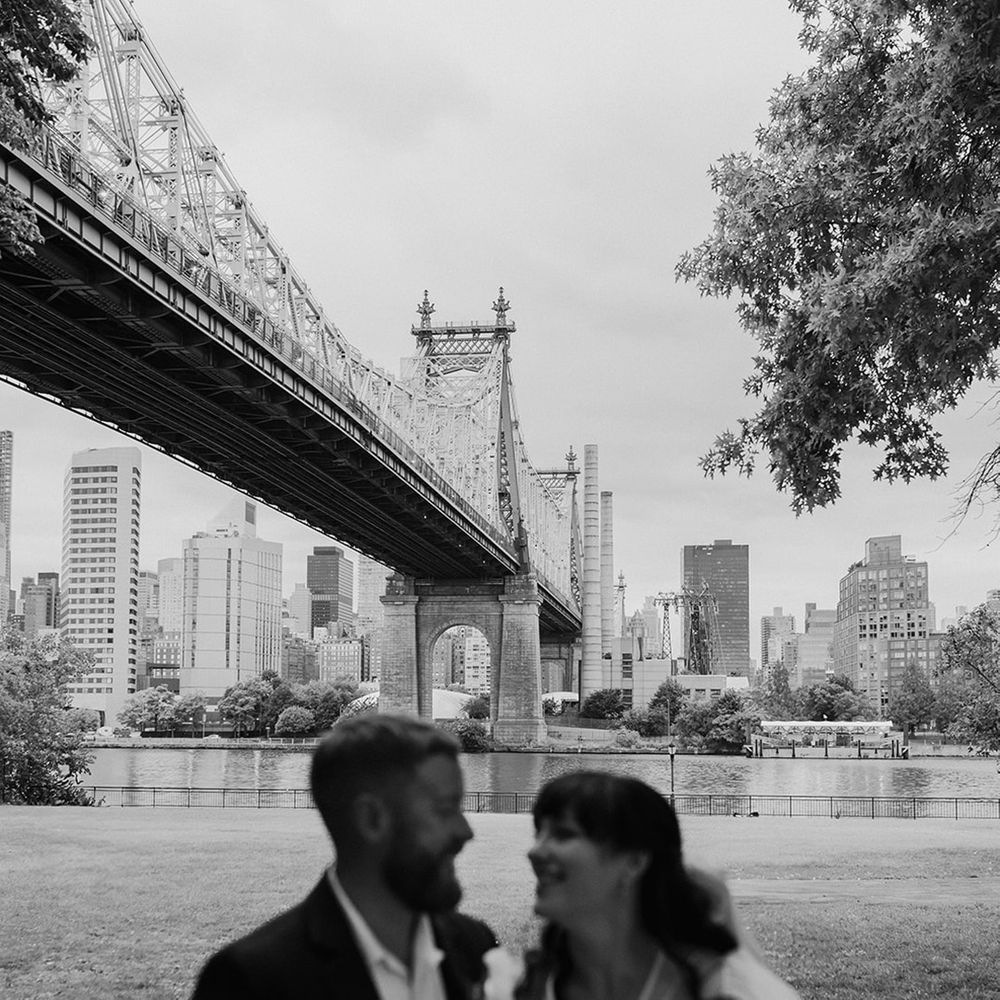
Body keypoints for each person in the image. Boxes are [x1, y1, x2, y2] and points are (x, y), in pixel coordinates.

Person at [190, 714, 497, 1000]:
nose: (466, 832)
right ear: (371, 819)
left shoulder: (476, 945)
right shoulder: (250, 982)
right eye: (444, 809)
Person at [514, 771, 800, 1000]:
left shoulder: (725, 990)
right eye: (539, 833)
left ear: (634, 862)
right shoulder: (523, 984)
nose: (535, 852)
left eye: (563, 834)